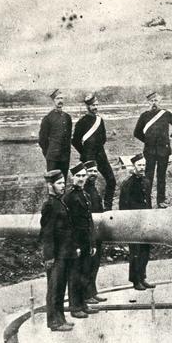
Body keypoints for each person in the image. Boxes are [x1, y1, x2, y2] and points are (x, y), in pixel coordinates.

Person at [133, 91, 172, 208]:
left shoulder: (166, 114)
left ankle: (161, 200)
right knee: (148, 177)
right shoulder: (144, 116)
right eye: (151, 101)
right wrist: (147, 141)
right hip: (149, 151)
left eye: (156, 100)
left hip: (163, 151)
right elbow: (136, 133)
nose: (154, 103)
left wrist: (171, 137)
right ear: (148, 103)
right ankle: (147, 202)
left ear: (160, 101)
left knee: (161, 177)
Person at [40, 170, 75, 331]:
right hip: (55, 255)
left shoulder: (59, 202)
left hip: (64, 253)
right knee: (54, 288)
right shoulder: (49, 205)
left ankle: (60, 318)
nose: (63, 186)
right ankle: (54, 322)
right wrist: (49, 257)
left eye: (63, 182)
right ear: (50, 185)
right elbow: (47, 233)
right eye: (59, 183)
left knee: (60, 288)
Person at [63, 162, 99, 318]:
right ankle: (75, 307)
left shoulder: (85, 195)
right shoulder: (69, 197)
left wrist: (92, 243)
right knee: (75, 275)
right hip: (75, 242)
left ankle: (83, 303)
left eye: (84, 175)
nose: (81, 178)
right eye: (78, 176)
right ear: (72, 177)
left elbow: (89, 221)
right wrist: (74, 245)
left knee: (84, 273)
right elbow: (68, 224)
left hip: (86, 241)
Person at [72, 93, 116, 210]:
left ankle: (108, 206)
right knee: (89, 185)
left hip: (101, 156)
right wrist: (85, 153)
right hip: (89, 158)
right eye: (93, 105)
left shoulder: (100, 120)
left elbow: (103, 138)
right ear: (88, 107)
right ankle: (90, 207)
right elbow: (75, 141)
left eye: (97, 105)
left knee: (111, 180)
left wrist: (97, 148)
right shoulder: (82, 122)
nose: (95, 107)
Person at [119, 153, 155, 290]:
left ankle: (142, 277)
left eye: (143, 165)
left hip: (146, 221)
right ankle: (135, 280)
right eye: (139, 165)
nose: (142, 168)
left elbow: (148, 201)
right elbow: (123, 206)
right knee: (135, 252)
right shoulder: (128, 184)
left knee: (145, 250)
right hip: (133, 223)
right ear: (133, 166)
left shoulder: (146, 181)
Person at [82, 160, 107, 305]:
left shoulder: (93, 188)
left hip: (97, 231)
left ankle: (92, 292)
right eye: (90, 171)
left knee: (95, 263)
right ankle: (86, 294)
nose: (93, 174)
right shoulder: (85, 190)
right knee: (88, 264)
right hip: (89, 232)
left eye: (95, 171)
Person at [39, 89, 72, 179]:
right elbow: (42, 140)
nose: (60, 101)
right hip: (53, 158)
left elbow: (68, 138)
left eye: (61, 98)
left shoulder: (67, 117)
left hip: (65, 157)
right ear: (53, 101)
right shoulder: (48, 118)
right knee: (53, 183)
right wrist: (49, 154)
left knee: (63, 182)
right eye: (57, 98)